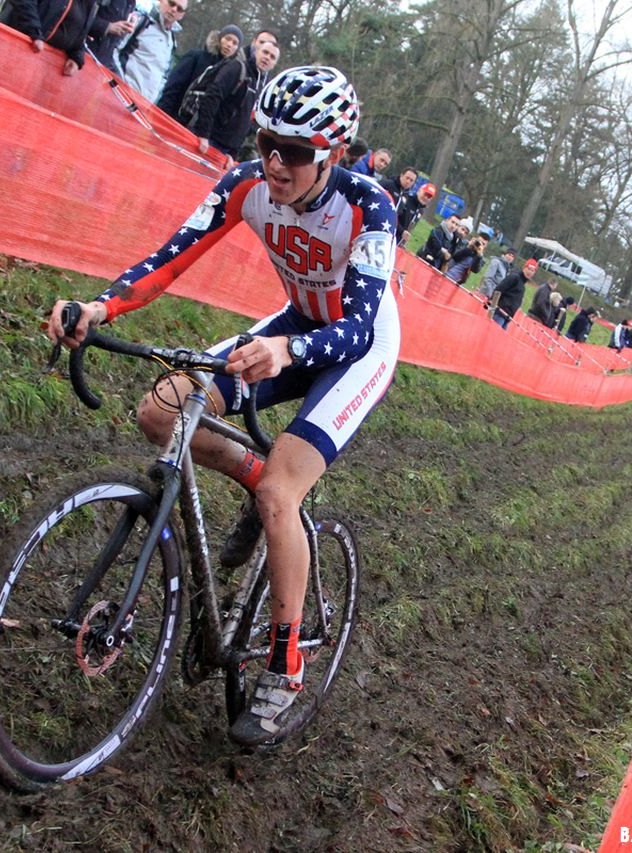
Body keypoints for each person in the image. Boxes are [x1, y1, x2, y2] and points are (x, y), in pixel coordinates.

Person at [45, 67, 397, 747]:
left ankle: (287, 662)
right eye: (267, 142)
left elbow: (358, 324)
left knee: (280, 495)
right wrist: (97, 306)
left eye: (295, 152)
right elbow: (169, 259)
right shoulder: (245, 185)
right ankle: (259, 480)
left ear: (335, 154)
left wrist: (289, 353)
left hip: (358, 348)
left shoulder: (369, 206)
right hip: (293, 323)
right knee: (163, 409)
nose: (275, 163)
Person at [186, 37, 278, 161]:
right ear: (256, 52)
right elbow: (212, 97)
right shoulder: (236, 68)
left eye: (272, 57)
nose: (267, 57)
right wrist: (203, 134)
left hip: (226, 151)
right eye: (265, 52)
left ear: (274, 64)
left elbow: (248, 121)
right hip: (208, 140)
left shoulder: (262, 86)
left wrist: (233, 152)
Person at [155, 24, 242, 119]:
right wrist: (162, 113)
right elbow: (173, 85)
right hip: (173, 115)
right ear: (220, 38)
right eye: (227, 39)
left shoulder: (229, 74)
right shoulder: (196, 56)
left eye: (234, 43)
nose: (229, 44)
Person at [112, 0, 185, 102]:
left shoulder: (172, 41)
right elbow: (114, 50)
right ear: (162, 1)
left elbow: (163, 76)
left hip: (142, 106)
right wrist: (120, 83)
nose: (174, 9)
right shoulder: (141, 21)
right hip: (118, 96)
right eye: (171, 3)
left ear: (181, 15)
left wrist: (152, 102)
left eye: (179, 9)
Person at [1, 0, 100, 75]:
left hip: (42, 67)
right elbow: (26, 3)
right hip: (16, 48)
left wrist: (76, 56)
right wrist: (35, 33)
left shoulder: (90, 3)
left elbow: (80, 32)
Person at [87, 0, 140, 69]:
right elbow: (77, 16)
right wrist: (107, 27)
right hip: (83, 53)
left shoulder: (132, 3)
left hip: (104, 62)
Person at [488, 258, 536, 330]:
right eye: (529, 269)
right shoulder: (514, 277)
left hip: (508, 317)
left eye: (532, 271)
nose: (530, 272)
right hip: (500, 313)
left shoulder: (522, 285)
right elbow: (499, 288)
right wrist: (492, 301)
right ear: (524, 268)